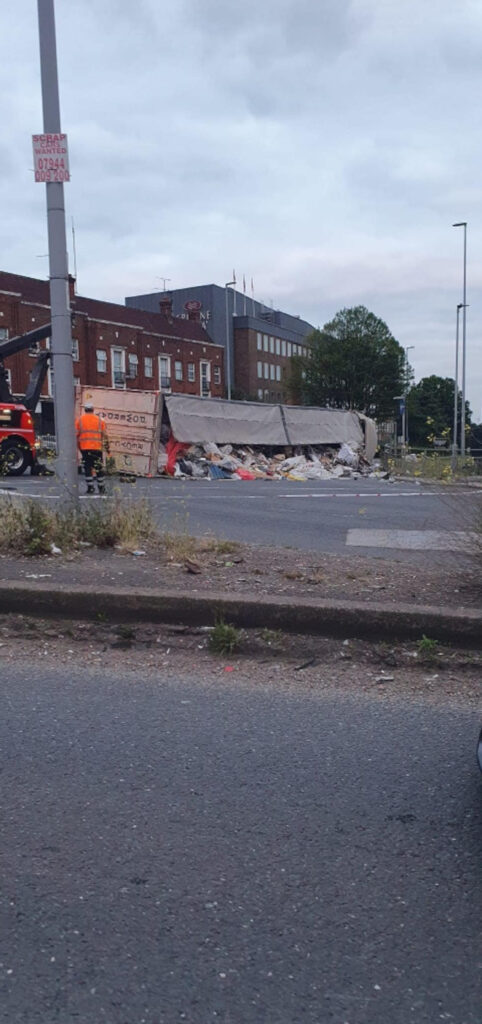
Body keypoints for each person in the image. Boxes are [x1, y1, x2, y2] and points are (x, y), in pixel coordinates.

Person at [75, 401, 109, 495]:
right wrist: (107, 448)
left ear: (85, 410)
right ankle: (101, 488)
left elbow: (76, 435)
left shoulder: (79, 420)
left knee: (87, 468)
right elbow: (105, 435)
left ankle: (90, 488)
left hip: (85, 448)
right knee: (99, 468)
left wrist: (79, 448)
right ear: (93, 410)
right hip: (97, 449)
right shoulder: (99, 420)